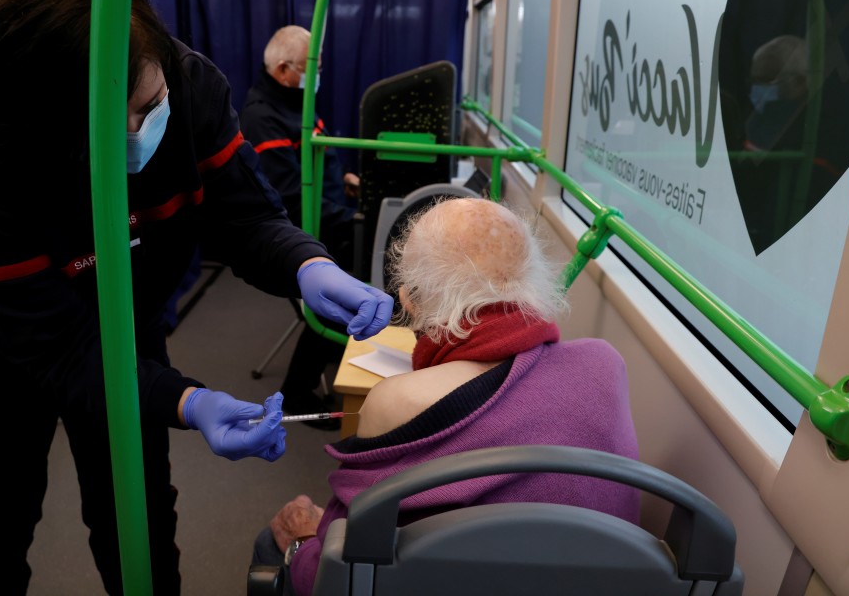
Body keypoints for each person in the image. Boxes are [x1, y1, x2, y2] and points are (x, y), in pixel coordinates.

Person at [0, 0, 392, 596]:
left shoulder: (192, 87)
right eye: (102, 125)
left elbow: (243, 217)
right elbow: (66, 356)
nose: (135, 132)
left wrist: (307, 265)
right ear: (43, 125)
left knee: (137, 512)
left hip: (119, 306)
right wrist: (188, 400)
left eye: (146, 102)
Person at [253, 198, 640, 595]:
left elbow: (342, 567)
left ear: (411, 303)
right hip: (594, 582)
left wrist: (301, 544)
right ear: (533, 280)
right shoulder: (605, 364)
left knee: (275, 540)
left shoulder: (396, 402)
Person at [240, 25, 361, 427]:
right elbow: (290, 196)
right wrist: (353, 218)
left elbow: (315, 161)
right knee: (341, 287)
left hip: (331, 213)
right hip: (306, 231)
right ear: (283, 69)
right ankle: (296, 390)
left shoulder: (296, 101)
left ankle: (336, 344)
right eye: (312, 66)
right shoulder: (263, 116)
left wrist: (345, 182)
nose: (317, 74)